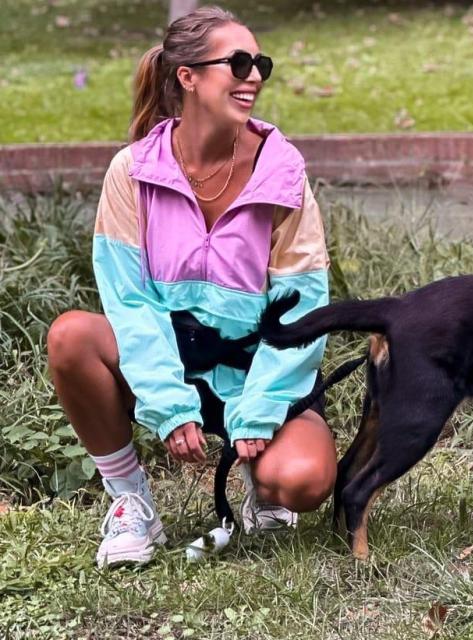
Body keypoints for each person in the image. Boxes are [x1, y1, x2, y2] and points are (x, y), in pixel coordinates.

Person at [46, 6, 337, 568]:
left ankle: (260, 475)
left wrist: (259, 412)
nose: (253, 76)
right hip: (170, 364)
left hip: (258, 371)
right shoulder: (132, 172)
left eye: (261, 64)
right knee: (71, 336)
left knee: (301, 482)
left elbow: (302, 307)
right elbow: (130, 303)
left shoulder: (282, 173)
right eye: (238, 63)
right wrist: (168, 405)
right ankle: (130, 500)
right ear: (188, 76)